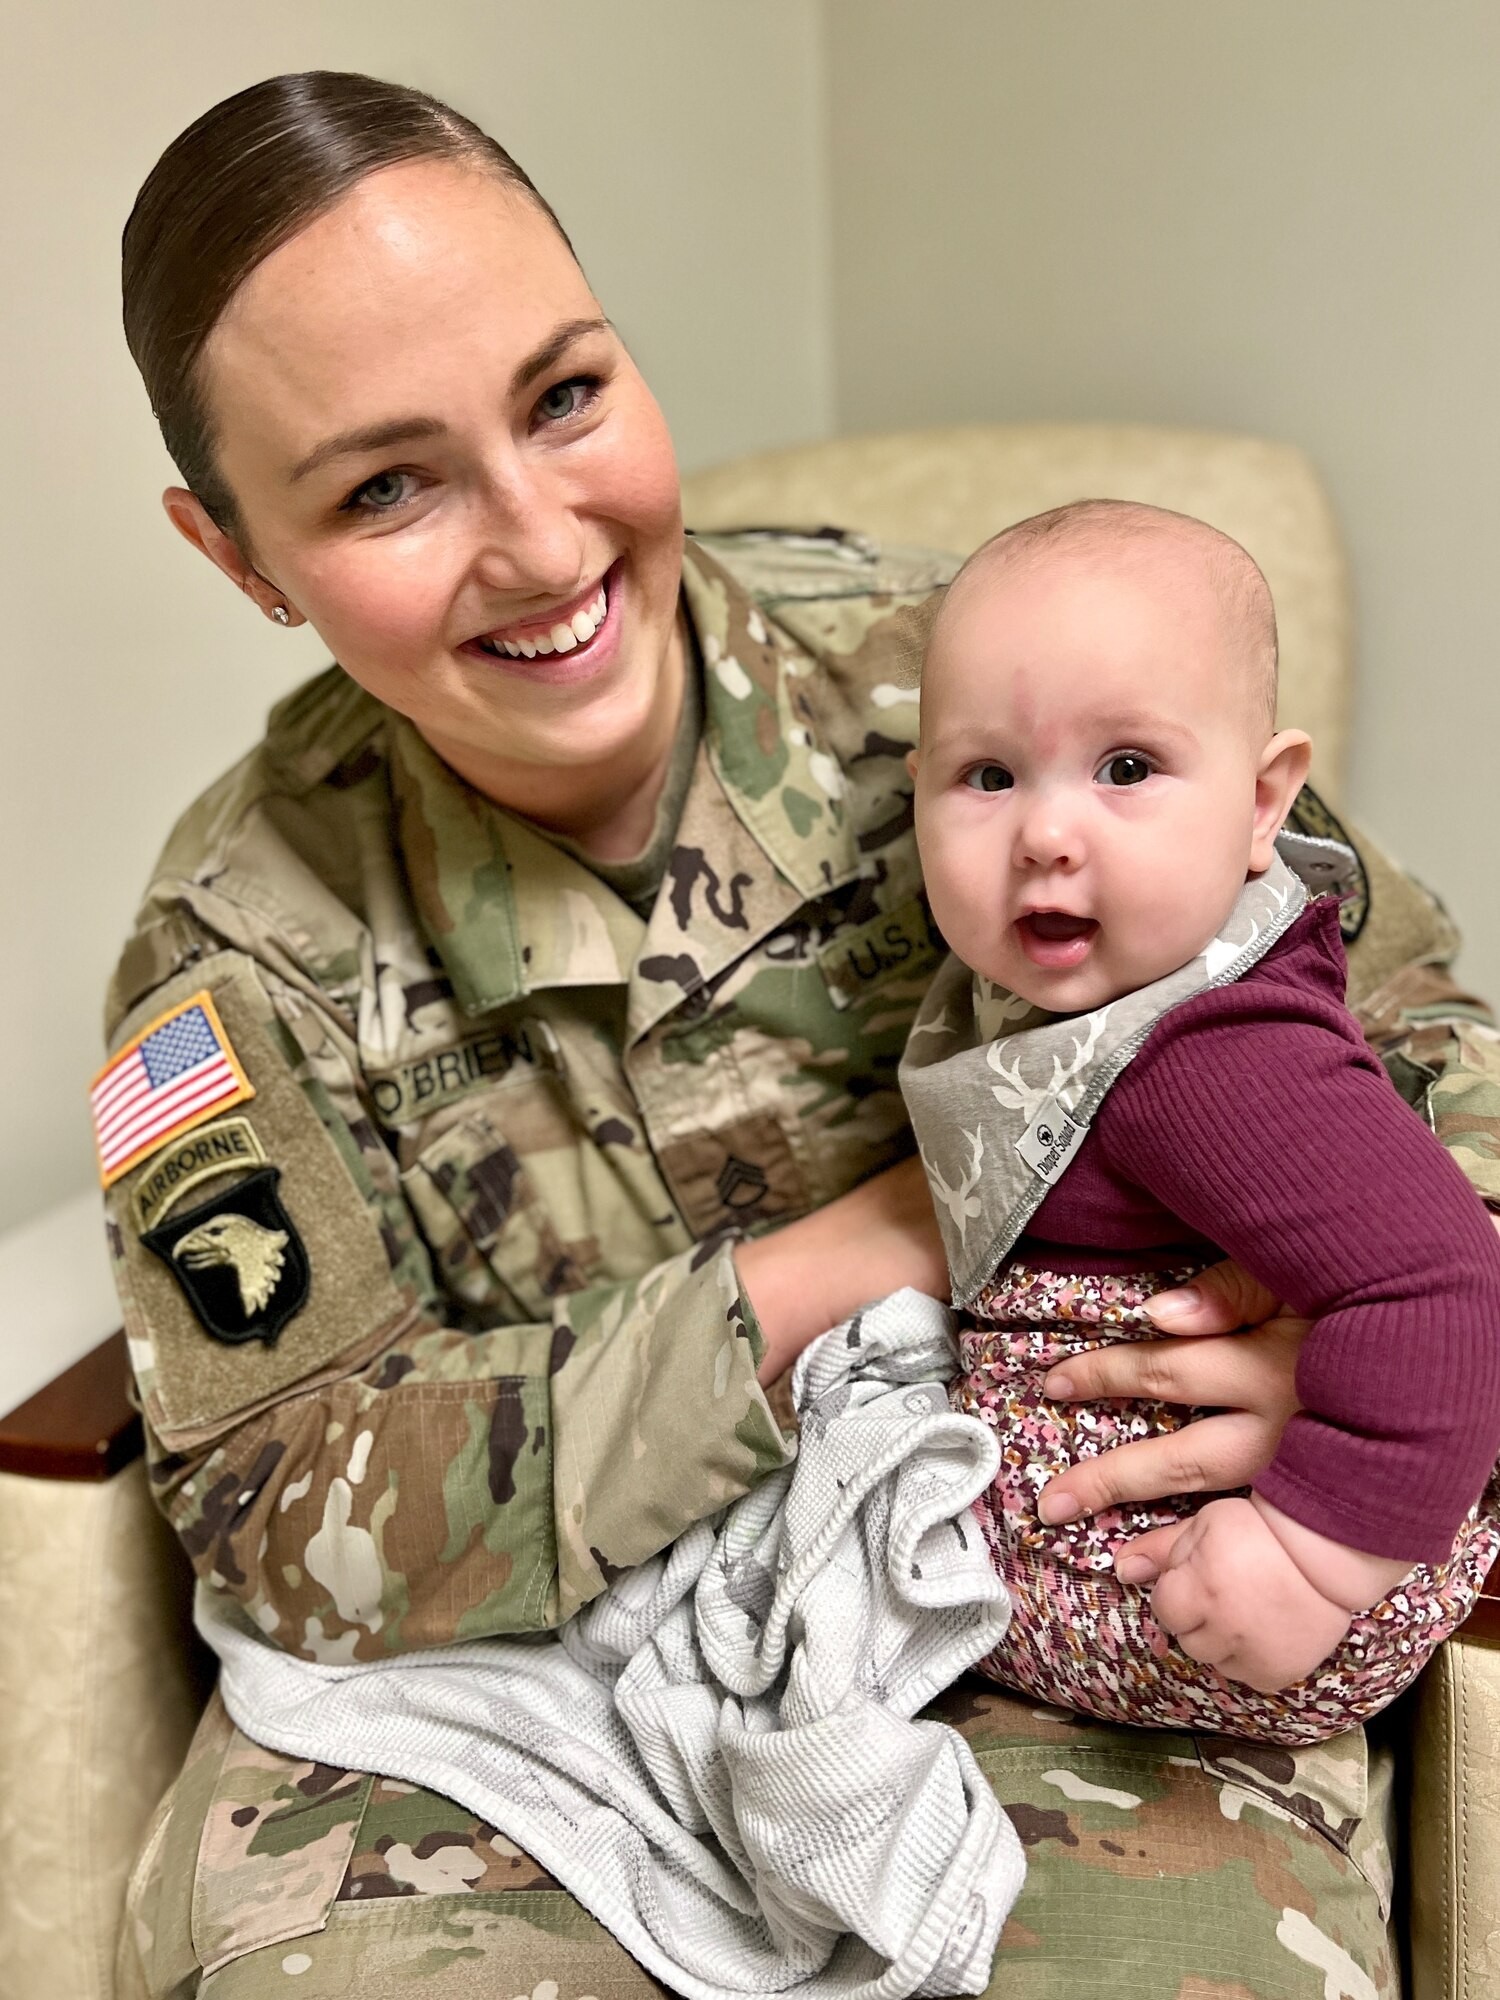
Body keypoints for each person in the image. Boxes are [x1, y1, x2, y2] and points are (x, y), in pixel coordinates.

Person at [102, 70, 1500, 2000]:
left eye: (566, 395)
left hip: (1097, 1615)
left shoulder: (988, 690)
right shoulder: (237, 953)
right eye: (382, 487)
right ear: (239, 556)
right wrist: (855, 1266)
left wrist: (1366, 1390)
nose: (537, 542)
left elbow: (1416, 1029)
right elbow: (277, 1502)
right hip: (497, 1710)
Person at [900, 500, 1500, 1744]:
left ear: (1267, 799)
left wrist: (1313, 1553)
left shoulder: (1202, 1054)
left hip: (1249, 1582)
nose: (1046, 836)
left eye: (1128, 768)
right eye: (987, 775)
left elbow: (1445, 1283)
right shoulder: (1096, 991)